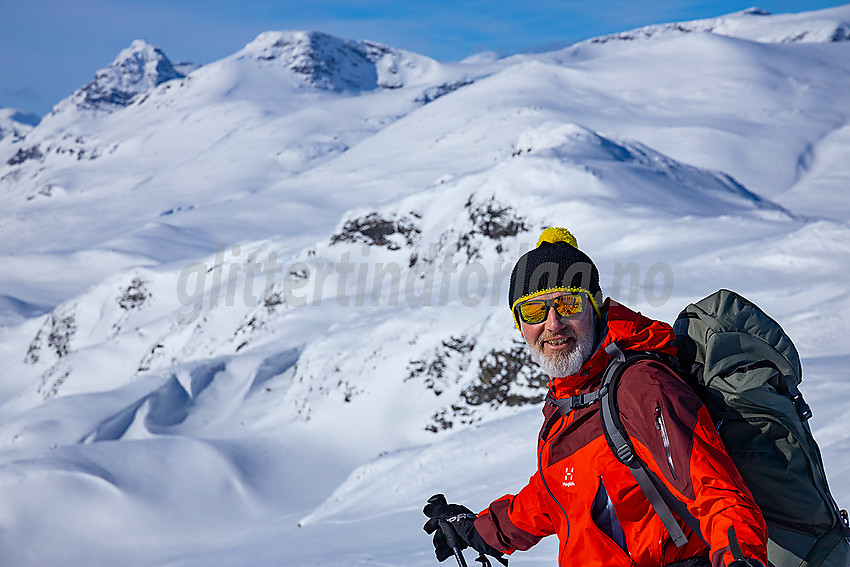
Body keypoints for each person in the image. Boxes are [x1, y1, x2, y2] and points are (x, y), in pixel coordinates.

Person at [423, 227, 768, 567]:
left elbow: (716, 493)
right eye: (533, 311)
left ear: (596, 309)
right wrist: (482, 530)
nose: (553, 324)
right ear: (518, 323)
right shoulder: (570, 401)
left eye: (568, 304)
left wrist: (741, 560)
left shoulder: (640, 386)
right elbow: (557, 493)